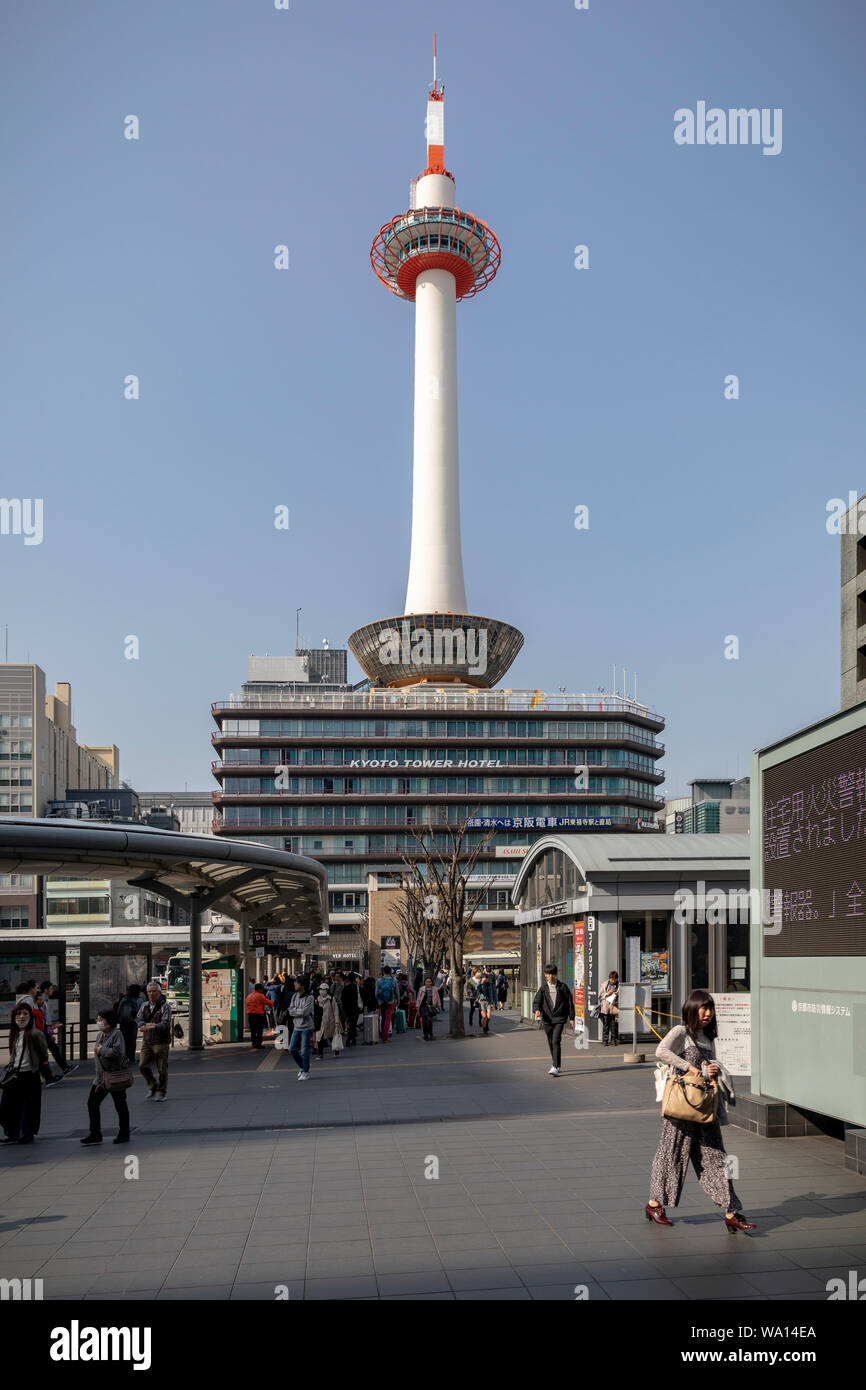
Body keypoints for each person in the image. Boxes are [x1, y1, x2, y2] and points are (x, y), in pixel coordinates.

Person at [646, 990, 755, 1232]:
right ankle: (654, 1204)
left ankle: (732, 1211)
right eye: (703, 1008)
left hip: (704, 1109)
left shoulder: (708, 1037)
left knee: (717, 1158)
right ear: (692, 1009)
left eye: (710, 1009)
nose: (707, 1013)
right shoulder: (681, 1031)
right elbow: (661, 1052)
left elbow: (705, 1072)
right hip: (681, 1108)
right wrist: (689, 1067)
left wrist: (710, 1071)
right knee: (671, 1155)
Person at [81, 1008, 131, 1146]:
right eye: (98, 1019)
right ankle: (95, 1133)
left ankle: (124, 1133)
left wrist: (101, 1050)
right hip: (100, 1078)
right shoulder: (99, 1035)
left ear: (108, 1022)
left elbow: (118, 1053)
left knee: (120, 1104)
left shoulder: (117, 1034)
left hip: (114, 1076)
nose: (98, 1021)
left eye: (100, 1019)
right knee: (92, 1103)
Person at [1, 1002, 49, 1144]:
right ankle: (11, 1132)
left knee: (28, 1107)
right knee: (7, 1106)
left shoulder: (35, 1034)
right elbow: (13, 1055)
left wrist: (39, 1069)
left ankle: (26, 1134)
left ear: (30, 1016)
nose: (21, 1017)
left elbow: (43, 1054)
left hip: (29, 1074)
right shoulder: (15, 1033)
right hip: (15, 1075)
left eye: (25, 1014)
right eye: (18, 1014)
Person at [533, 963, 575, 1076]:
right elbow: (537, 1001)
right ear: (545, 975)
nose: (550, 976)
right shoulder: (543, 988)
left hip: (560, 1018)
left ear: (556, 974)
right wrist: (537, 1010)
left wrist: (571, 1017)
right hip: (547, 1018)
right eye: (548, 974)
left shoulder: (562, 987)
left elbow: (569, 1002)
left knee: (556, 1040)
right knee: (551, 1041)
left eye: (552, 974)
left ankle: (555, 1066)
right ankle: (556, 1063)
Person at [136, 979, 173, 1101]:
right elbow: (139, 1019)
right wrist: (142, 1025)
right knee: (142, 1065)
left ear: (159, 992)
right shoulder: (144, 1005)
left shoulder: (165, 1007)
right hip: (147, 1041)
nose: (151, 994)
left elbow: (165, 1024)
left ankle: (162, 1092)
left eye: (154, 991)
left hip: (161, 1041)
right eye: (149, 991)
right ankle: (152, 1085)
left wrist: (151, 1026)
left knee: (162, 1068)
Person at [288, 975, 314, 1080]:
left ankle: (305, 1072)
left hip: (307, 1027)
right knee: (292, 1048)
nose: (294, 984)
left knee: (304, 1050)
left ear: (302, 985)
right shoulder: (294, 996)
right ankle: (303, 1066)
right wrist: (297, 1011)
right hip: (296, 1026)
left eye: (297, 983)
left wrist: (296, 1011)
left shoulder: (310, 997)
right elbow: (290, 1010)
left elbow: (305, 1012)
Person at [116, 983, 143, 1066]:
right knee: (132, 1040)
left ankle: (125, 1057)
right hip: (133, 1022)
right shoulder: (139, 1000)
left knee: (124, 1040)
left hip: (123, 1022)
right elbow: (141, 1012)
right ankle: (131, 1058)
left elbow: (119, 1010)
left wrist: (119, 1019)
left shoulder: (124, 999)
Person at [316, 984, 344, 1058]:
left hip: (330, 1021)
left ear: (326, 990)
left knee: (332, 1037)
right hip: (321, 1022)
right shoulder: (317, 999)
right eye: (320, 989)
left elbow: (335, 1011)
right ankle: (320, 1054)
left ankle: (336, 1050)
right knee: (320, 1037)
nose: (321, 991)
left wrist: (337, 1021)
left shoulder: (331, 999)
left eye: (322, 989)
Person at [375, 965, 398, 1043]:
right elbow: (396, 992)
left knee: (383, 1018)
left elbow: (376, 993)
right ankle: (385, 1037)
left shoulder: (378, 980)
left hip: (382, 1002)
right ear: (390, 972)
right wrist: (397, 1001)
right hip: (390, 1002)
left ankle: (382, 1035)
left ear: (383, 971)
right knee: (388, 1019)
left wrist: (379, 1000)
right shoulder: (394, 980)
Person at [245, 982, 270, 1050]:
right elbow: (268, 1002)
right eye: (262, 989)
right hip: (258, 1015)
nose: (262, 991)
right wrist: (274, 1003)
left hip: (250, 1015)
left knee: (253, 1030)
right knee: (259, 1030)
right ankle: (258, 1044)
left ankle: (254, 1043)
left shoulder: (249, 996)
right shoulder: (260, 995)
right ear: (259, 989)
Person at [416, 976, 441, 1041]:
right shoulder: (422, 989)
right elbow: (418, 998)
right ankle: (425, 1035)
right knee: (424, 1022)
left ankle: (431, 1034)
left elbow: (438, 998)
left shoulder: (434, 989)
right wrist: (417, 1006)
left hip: (431, 1007)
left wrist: (439, 1006)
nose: (428, 983)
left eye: (429, 981)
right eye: (426, 981)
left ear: (431, 982)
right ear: (424, 982)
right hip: (423, 1007)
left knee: (429, 1021)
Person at [599, 971, 620, 1046]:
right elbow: (600, 995)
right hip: (606, 1007)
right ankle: (605, 1040)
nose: (613, 981)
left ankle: (614, 1040)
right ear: (609, 978)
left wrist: (617, 995)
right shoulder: (604, 984)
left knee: (614, 1025)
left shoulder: (619, 985)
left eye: (614, 979)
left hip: (615, 1007)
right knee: (606, 1024)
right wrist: (607, 994)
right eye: (612, 979)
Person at [342, 972, 362, 1047]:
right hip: (355, 1008)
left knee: (351, 1023)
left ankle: (352, 1038)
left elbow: (343, 999)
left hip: (348, 1009)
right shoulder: (356, 987)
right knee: (353, 1024)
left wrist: (344, 1008)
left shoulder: (346, 988)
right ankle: (350, 1039)